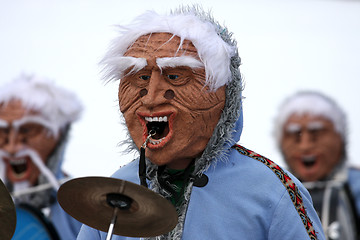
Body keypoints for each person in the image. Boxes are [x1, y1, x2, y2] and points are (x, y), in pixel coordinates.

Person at [77, 6, 325, 240]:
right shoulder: (115, 191)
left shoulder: (272, 191)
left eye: (175, 76)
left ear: (225, 94)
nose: (151, 98)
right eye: (141, 78)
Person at [0, 74, 83, 239]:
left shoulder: (83, 208)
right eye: (4, 132)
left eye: (26, 130)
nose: (12, 147)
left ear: (59, 136)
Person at [274, 90, 360, 240]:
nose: (305, 146)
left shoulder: (356, 185)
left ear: (339, 137)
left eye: (316, 134)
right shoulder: (274, 187)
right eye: (296, 136)